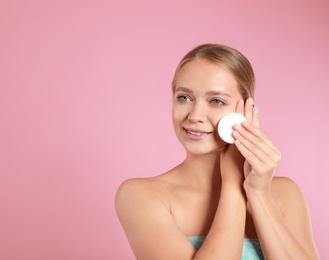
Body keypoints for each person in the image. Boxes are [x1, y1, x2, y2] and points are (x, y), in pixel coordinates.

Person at [115, 43, 320, 259]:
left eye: (216, 101)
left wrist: (258, 194)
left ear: (245, 110)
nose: (195, 115)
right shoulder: (141, 196)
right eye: (184, 97)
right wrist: (232, 182)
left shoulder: (285, 194)